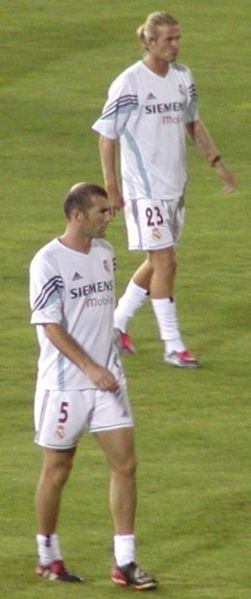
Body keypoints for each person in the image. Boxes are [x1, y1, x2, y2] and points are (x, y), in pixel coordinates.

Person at [29, 182, 157, 590]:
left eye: (109, 210)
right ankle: (48, 556)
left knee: (126, 465)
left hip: (108, 381)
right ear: (78, 215)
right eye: (101, 211)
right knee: (58, 470)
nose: (109, 216)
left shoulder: (104, 254)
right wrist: (89, 367)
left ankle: (125, 562)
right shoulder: (47, 262)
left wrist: (108, 364)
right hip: (65, 386)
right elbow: (50, 326)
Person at [92, 11, 237, 367]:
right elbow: (107, 135)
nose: (176, 45)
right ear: (149, 42)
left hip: (175, 186)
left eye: (178, 37)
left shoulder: (183, 77)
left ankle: (115, 323)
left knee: (157, 262)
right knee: (166, 261)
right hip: (145, 188)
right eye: (168, 39)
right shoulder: (130, 83)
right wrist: (112, 186)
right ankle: (172, 345)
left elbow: (193, 123)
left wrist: (217, 163)